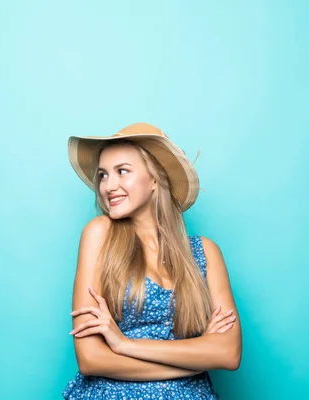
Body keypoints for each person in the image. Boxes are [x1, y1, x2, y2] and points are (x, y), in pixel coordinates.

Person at [62, 122, 242, 399]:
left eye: (122, 171)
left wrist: (124, 345)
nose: (109, 186)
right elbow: (91, 359)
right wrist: (195, 361)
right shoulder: (100, 234)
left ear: (156, 179)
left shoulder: (205, 253)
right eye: (103, 175)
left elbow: (228, 354)